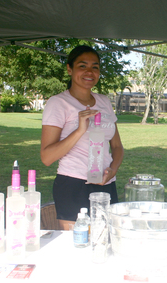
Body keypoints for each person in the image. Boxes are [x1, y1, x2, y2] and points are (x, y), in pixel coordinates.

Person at [41, 45, 124, 230]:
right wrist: (79, 130)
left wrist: (113, 170)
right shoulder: (58, 103)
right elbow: (46, 157)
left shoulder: (104, 101)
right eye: (82, 65)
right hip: (73, 185)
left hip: (106, 184)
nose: (89, 71)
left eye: (95, 67)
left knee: (106, 241)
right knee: (78, 246)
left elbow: (117, 146)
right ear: (69, 69)